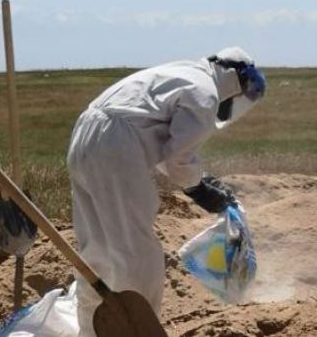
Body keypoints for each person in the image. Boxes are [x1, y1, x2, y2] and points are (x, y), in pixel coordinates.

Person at [66, 47, 267, 336]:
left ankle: (89, 331)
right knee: (136, 250)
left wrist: (200, 179)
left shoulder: (183, 73)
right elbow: (177, 158)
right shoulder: (205, 91)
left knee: (95, 249)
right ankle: (140, 330)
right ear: (237, 78)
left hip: (85, 136)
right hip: (116, 147)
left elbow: (155, 139)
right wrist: (198, 188)